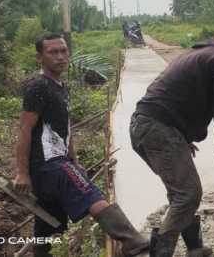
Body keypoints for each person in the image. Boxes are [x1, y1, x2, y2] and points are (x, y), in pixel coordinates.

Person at [14, 34, 148, 257]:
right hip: (49, 165)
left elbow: (65, 128)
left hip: (59, 163)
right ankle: (131, 240)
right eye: (53, 52)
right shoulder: (38, 87)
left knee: (50, 226)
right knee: (91, 195)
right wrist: (22, 173)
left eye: (63, 51)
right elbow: (25, 129)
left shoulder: (59, 87)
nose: (60, 56)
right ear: (39, 58)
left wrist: (75, 161)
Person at [130, 20, 214, 257]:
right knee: (189, 193)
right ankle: (161, 252)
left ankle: (195, 248)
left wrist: (181, 136)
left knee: (180, 192)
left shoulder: (197, 53)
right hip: (157, 128)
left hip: (145, 125)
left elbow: (172, 97)